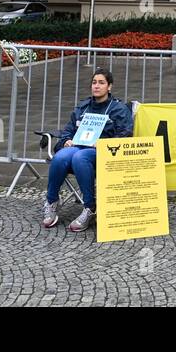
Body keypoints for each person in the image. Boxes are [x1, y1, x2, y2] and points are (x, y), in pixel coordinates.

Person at [40, 68, 134, 232]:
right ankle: (52, 201)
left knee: (80, 157)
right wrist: (66, 140)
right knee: (61, 156)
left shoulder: (118, 109)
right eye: (94, 82)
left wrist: (104, 143)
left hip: (104, 152)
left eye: (101, 83)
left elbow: (126, 135)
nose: (96, 86)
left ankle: (90, 207)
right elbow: (68, 130)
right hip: (78, 146)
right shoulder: (82, 108)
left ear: (109, 87)